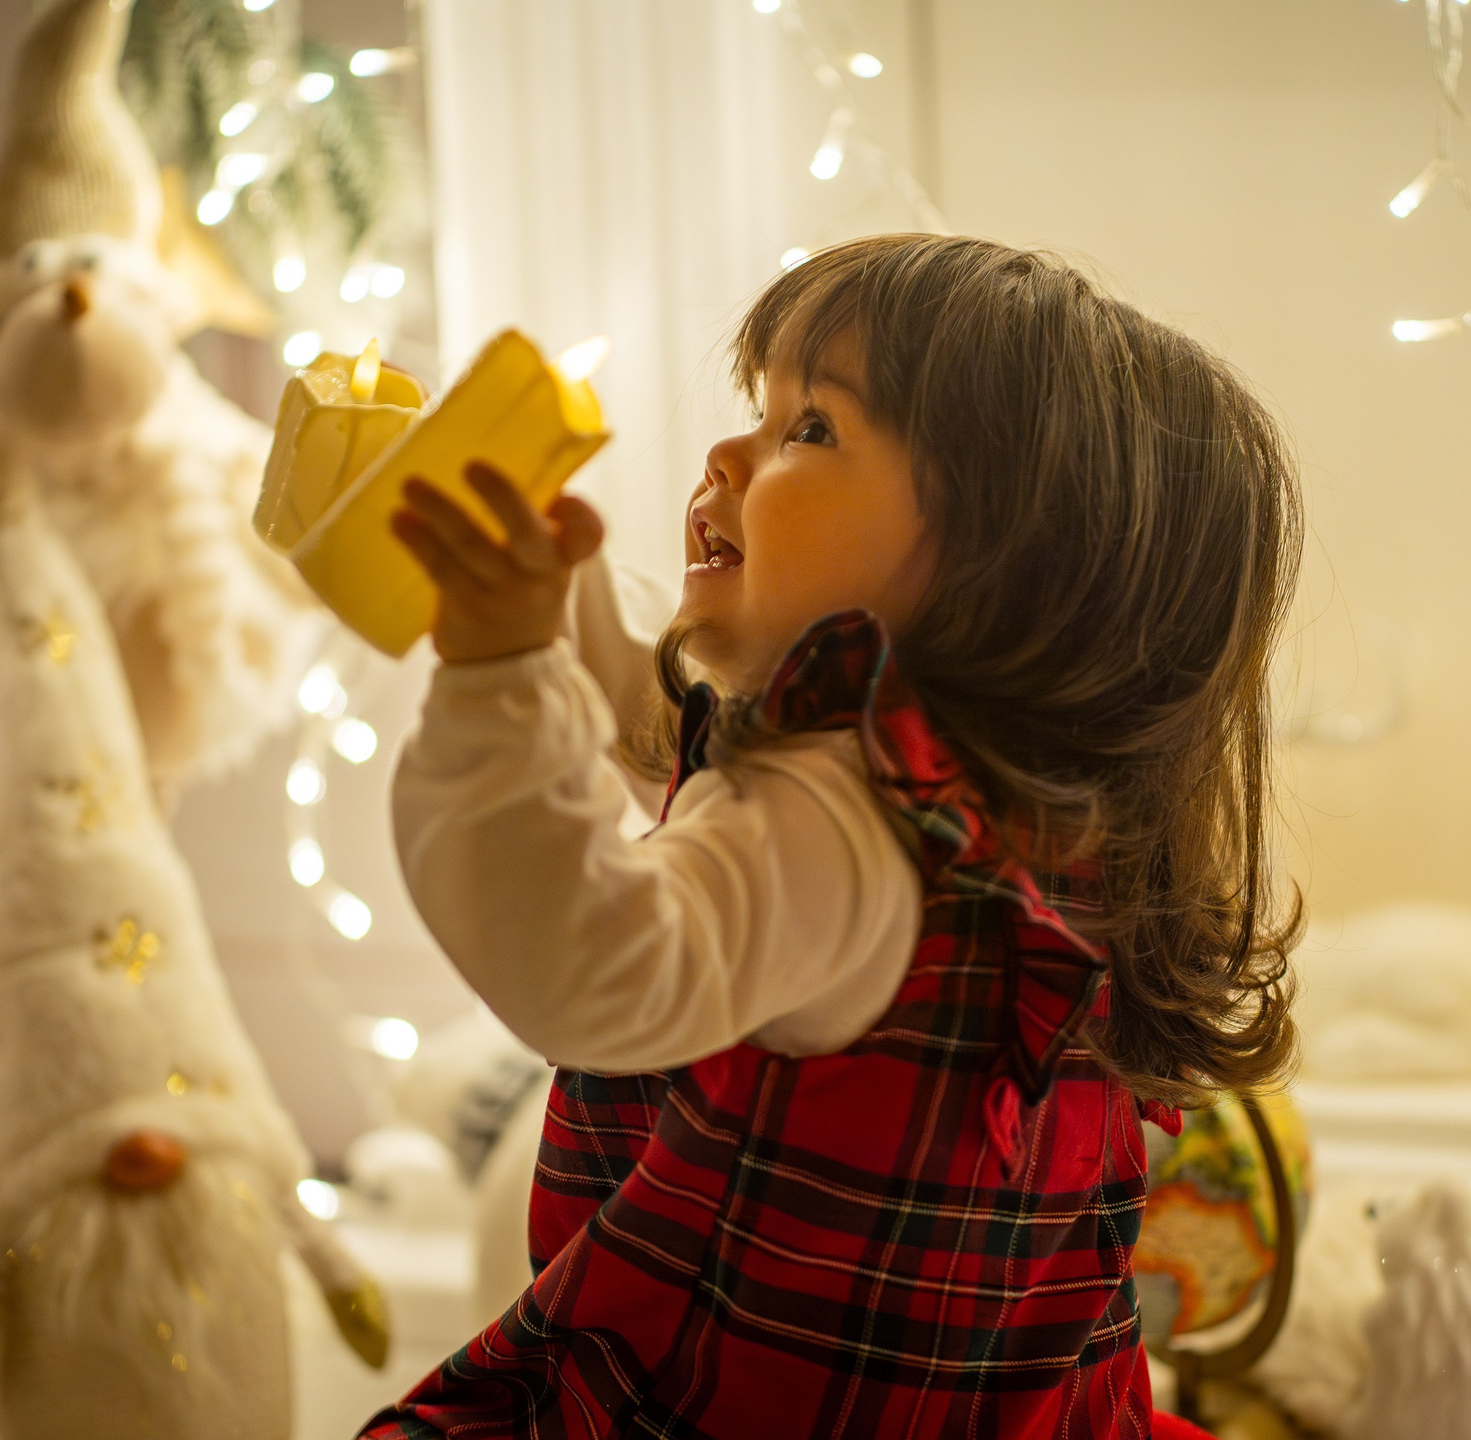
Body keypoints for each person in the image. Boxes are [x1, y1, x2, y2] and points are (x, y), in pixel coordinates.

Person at [368, 234, 1301, 1439]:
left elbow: (586, 964)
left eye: (808, 429)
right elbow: (663, 712)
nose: (726, 456)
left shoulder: (836, 822)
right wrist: (552, 585)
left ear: (1001, 562)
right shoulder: (1030, 813)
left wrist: (498, 672)